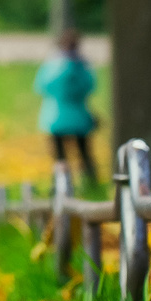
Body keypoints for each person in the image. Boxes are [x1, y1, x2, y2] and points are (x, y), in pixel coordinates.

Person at [35, 28, 100, 188]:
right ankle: (92, 184)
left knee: (59, 157)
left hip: (55, 117)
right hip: (79, 117)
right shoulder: (82, 66)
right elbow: (90, 86)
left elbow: (40, 86)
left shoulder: (51, 65)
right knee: (84, 153)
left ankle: (60, 187)